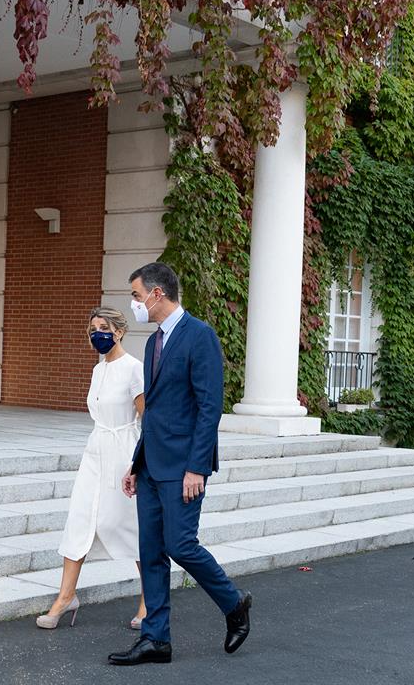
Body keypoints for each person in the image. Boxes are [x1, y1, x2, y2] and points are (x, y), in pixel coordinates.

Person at [108, 262, 252, 666]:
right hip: (152, 465)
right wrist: (137, 464)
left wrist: (197, 468)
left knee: (180, 544)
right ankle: (156, 639)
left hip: (183, 467)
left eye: (136, 295)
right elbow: (153, 411)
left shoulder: (200, 337)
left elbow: (210, 408)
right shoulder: (154, 342)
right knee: (151, 551)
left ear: (157, 294)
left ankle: (234, 602)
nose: (133, 303)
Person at [36, 306, 147, 630]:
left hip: (125, 452)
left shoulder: (134, 369)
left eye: (103, 328)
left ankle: (149, 599)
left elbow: (147, 418)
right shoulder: (98, 370)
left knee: (129, 525)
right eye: (92, 329)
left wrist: (139, 463)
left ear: (119, 331)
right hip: (95, 452)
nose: (96, 334)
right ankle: (65, 597)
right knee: (80, 520)